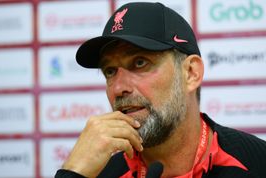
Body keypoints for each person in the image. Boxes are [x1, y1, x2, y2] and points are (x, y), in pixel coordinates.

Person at [55, 2, 266, 178]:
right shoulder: (97, 174)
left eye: (139, 63)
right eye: (110, 71)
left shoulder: (257, 162)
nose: (118, 88)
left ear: (191, 73)